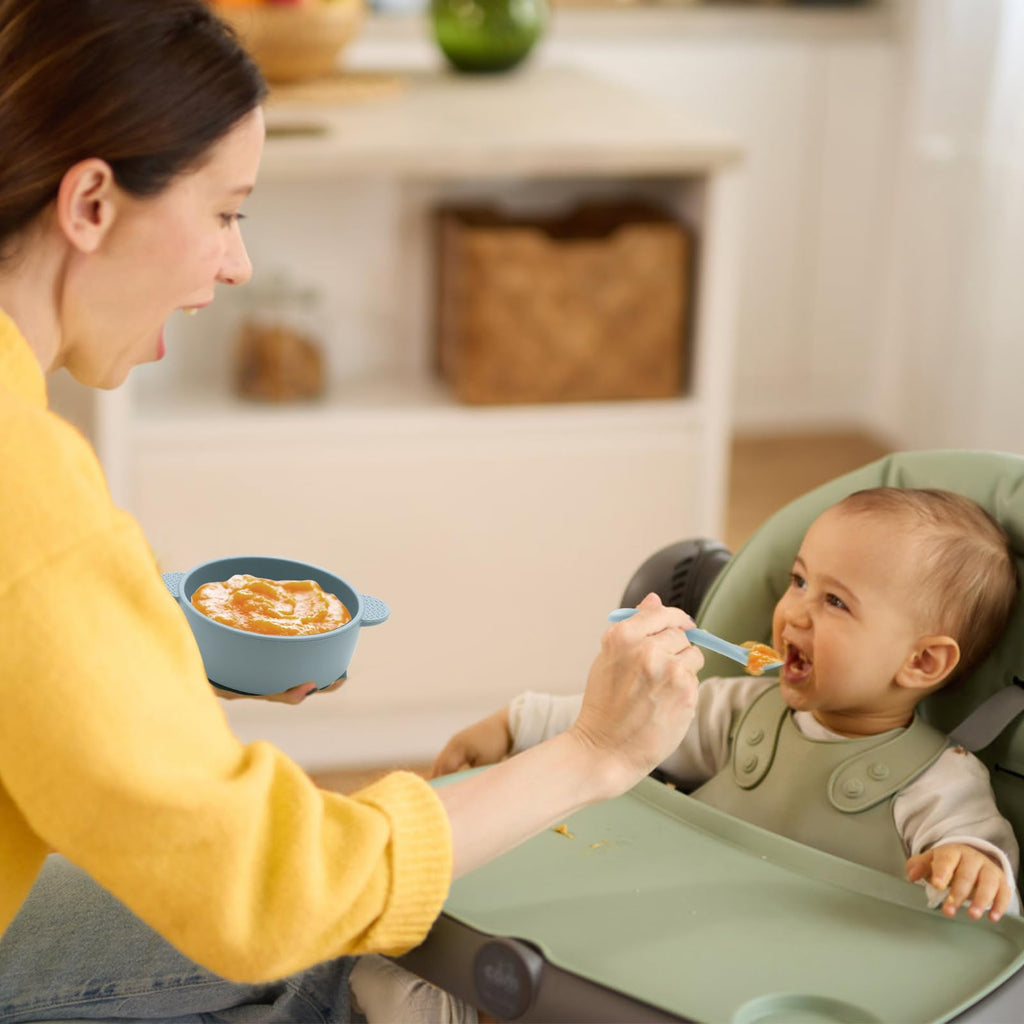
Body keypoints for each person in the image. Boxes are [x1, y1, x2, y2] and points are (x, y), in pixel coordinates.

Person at [0, 1, 705, 1020]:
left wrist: (140, 648)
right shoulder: (31, 490)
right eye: (226, 212)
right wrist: (595, 753)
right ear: (93, 204)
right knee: (324, 948)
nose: (237, 265)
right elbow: (273, 891)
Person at [353, 486, 1021, 1023]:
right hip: (661, 949)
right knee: (384, 965)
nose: (794, 612)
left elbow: (985, 878)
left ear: (922, 662)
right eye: (797, 581)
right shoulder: (745, 711)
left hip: (775, 988)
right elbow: (623, 722)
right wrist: (515, 724)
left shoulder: (936, 777)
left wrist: (970, 864)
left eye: (835, 601)